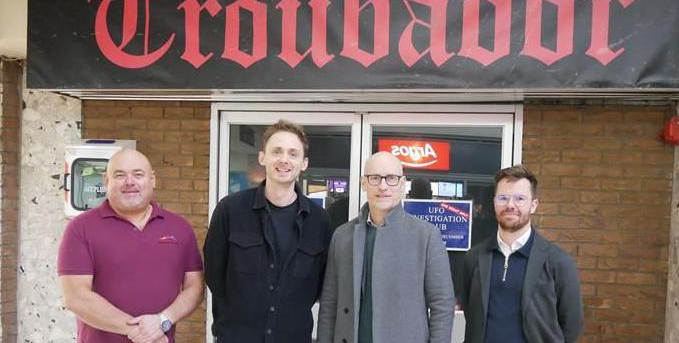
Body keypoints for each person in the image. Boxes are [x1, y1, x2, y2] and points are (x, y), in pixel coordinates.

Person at [204, 119, 332, 343]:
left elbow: (319, 284)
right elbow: (214, 274)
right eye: (277, 151)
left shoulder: (319, 220)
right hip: (237, 337)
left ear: (304, 163)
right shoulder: (230, 210)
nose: (284, 159)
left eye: (293, 153)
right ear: (262, 157)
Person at [58, 149, 204, 343]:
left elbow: (195, 287)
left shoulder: (179, 228)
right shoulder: (81, 228)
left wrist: (163, 321)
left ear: (152, 180)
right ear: (106, 181)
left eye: (138, 174)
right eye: (119, 175)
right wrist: (143, 332)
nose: (129, 182)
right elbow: (76, 297)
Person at [317, 151, 455, 343]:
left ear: (402, 183)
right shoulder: (342, 236)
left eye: (391, 178)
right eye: (375, 178)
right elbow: (329, 305)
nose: (383, 186)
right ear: (363, 183)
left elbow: (442, 305)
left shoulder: (426, 236)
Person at [459, 164, 583, 343]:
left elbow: (572, 324)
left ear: (533, 205)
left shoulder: (558, 261)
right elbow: (470, 312)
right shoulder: (475, 257)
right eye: (503, 198)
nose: (510, 205)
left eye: (520, 198)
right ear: (494, 203)